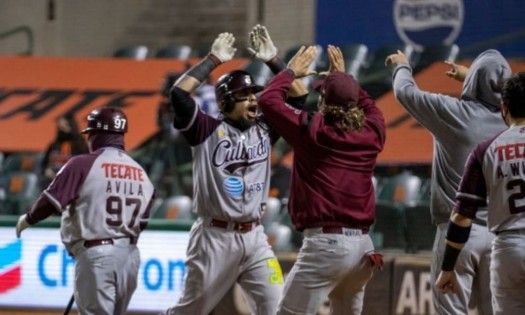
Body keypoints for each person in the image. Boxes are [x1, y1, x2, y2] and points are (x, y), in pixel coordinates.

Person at [161, 26, 309, 315]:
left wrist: (273, 60)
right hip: (214, 237)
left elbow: (299, 98)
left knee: (279, 307)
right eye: (244, 95)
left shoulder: (265, 128)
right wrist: (213, 59)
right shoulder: (206, 129)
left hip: (255, 237)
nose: (253, 99)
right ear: (226, 101)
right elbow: (179, 94)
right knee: (190, 311)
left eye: (254, 93)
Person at [258, 44, 386, 314]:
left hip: (327, 245)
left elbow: (268, 100)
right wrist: (345, 81)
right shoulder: (373, 131)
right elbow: (369, 106)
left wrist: (291, 71)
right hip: (363, 247)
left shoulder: (313, 130)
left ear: (325, 102)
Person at [385, 49, 512, 314]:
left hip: (458, 234)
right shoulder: (513, 125)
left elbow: (405, 93)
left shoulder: (453, 112)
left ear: (474, 81)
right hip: (501, 235)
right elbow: (503, 93)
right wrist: (476, 81)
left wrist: (402, 66)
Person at [15, 106, 156, 315]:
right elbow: (141, 223)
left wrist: (27, 219)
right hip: (130, 257)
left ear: (96, 134)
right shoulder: (141, 173)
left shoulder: (82, 164)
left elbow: (50, 201)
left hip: (97, 253)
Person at [435, 72, 525, 315]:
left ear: (504, 107)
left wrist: (448, 267)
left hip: (508, 247)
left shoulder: (486, 150)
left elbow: (462, 216)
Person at [40, 113, 89, 190]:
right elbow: (44, 164)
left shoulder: (80, 145)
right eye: (60, 126)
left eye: (64, 125)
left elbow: (86, 166)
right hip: (52, 183)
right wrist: (47, 171)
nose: (62, 128)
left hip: (72, 184)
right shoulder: (54, 145)